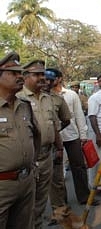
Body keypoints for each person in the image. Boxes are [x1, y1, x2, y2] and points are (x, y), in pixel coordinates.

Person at [17, 60, 64, 229]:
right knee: (26, 207)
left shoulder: (47, 98)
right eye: (37, 74)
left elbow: (55, 125)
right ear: (25, 77)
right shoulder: (18, 98)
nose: (42, 78)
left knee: (40, 204)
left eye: (43, 74)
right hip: (29, 161)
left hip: (47, 156)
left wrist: (59, 148)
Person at [46, 68, 100, 206]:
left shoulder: (70, 95)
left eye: (51, 79)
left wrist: (83, 135)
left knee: (79, 167)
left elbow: (79, 115)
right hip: (53, 138)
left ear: (59, 79)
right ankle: (60, 204)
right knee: (57, 172)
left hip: (72, 135)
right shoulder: (44, 96)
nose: (48, 81)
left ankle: (84, 197)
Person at [0, 52, 40, 229]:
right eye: (14, 73)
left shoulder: (24, 106)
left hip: (26, 182)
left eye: (20, 72)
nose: (20, 76)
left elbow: (36, 138)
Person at [42, 69, 72, 225]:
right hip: (32, 150)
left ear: (55, 82)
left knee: (57, 183)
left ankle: (58, 214)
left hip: (53, 147)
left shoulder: (57, 100)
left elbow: (66, 119)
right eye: (44, 79)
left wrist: (54, 133)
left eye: (50, 80)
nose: (46, 82)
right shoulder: (23, 98)